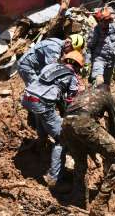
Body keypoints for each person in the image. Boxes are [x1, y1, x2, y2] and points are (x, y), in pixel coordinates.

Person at [20, 50, 85, 189]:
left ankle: (40, 152)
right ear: (78, 66)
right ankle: (54, 179)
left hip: (27, 96)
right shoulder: (72, 76)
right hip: (42, 102)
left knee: (42, 119)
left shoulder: (51, 66)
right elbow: (71, 100)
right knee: (62, 139)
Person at [61, 86, 115, 215]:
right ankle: (99, 204)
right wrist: (114, 145)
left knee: (80, 163)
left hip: (66, 124)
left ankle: (79, 199)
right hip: (83, 122)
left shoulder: (83, 93)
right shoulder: (107, 95)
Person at [18, 34, 85, 87]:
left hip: (36, 66)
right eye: (71, 49)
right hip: (27, 66)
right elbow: (51, 69)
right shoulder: (54, 48)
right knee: (36, 87)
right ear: (68, 43)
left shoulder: (58, 44)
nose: (70, 52)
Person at [86, 8, 115, 90]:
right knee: (99, 81)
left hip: (111, 62)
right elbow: (89, 48)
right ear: (99, 21)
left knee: (105, 85)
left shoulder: (114, 29)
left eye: (107, 21)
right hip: (99, 59)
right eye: (103, 21)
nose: (105, 23)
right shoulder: (95, 31)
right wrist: (87, 63)